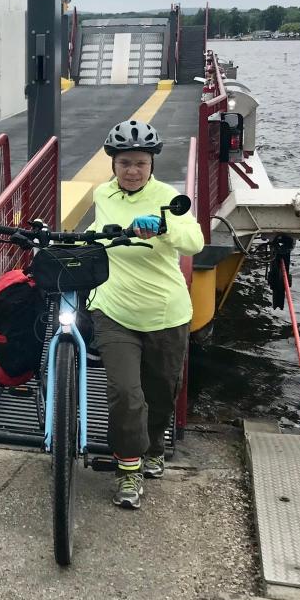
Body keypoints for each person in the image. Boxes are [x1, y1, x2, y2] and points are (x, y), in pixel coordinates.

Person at [86, 119, 204, 509]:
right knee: (125, 393)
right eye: (124, 163)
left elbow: (194, 241)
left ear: (151, 163)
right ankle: (129, 471)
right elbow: (97, 228)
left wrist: (164, 227)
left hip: (166, 313)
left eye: (140, 163)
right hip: (114, 308)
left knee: (159, 393)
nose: (132, 171)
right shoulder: (103, 194)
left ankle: (154, 448)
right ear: (113, 165)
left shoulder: (169, 198)